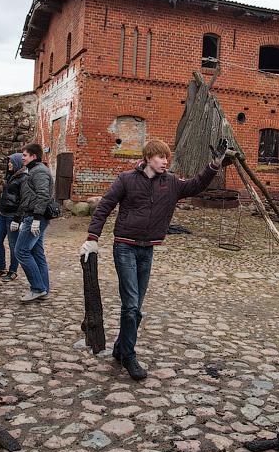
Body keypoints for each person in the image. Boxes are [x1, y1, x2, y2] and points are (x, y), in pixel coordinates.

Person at [80, 138, 235, 380]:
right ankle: (129, 355)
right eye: (161, 157)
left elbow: (196, 186)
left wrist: (214, 164)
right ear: (148, 158)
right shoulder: (126, 180)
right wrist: (93, 237)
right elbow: (105, 206)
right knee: (131, 305)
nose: (165, 161)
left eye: (167, 158)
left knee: (135, 307)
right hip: (125, 247)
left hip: (147, 250)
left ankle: (121, 348)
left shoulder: (171, 182)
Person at [9, 144, 54, 302]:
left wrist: (36, 218)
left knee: (21, 251)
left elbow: (43, 195)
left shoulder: (40, 171)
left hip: (36, 218)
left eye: (25, 155)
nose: (22, 158)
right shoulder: (32, 171)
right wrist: (17, 218)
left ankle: (37, 288)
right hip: (30, 216)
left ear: (34, 156)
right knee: (36, 253)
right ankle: (44, 289)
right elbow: (27, 197)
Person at [0, 153, 27, 278]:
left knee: (13, 244)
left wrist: (17, 219)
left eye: (11, 162)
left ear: (17, 163)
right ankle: (1, 267)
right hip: (3, 215)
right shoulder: (9, 176)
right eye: (8, 162)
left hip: (12, 216)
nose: (9, 164)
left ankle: (13, 271)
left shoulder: (23, 178)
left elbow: (24, 202)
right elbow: (3, 197)